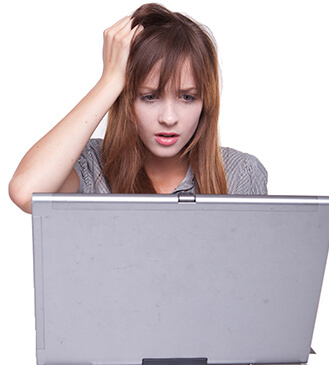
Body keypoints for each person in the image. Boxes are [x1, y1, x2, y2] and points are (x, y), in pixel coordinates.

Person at [9, 3, 267, 214]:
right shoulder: (92, 166)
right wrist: (110, 81)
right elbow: (25, 191)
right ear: (127, 98)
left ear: (206, 102)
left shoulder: (240, 173)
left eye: (187, 97)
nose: (169, 118)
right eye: (150, 97)